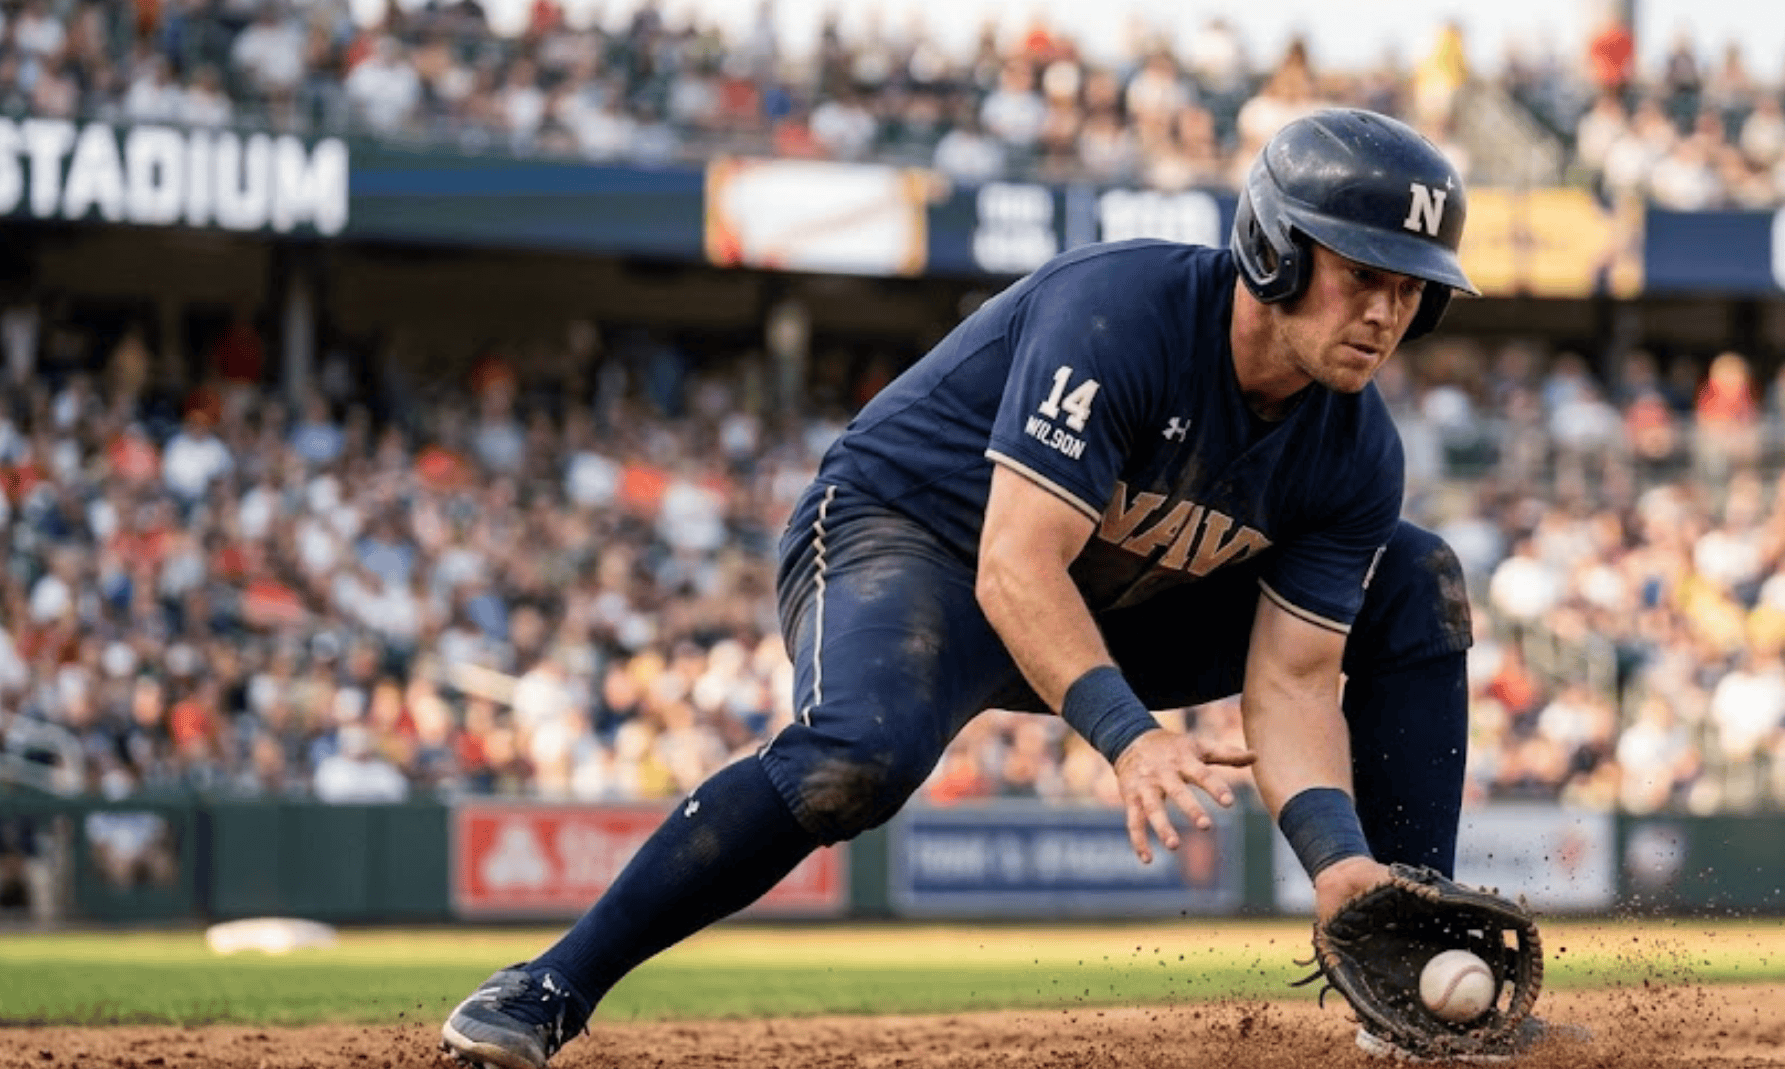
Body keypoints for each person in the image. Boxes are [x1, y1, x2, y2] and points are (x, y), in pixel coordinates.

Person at [443, 108, 1486, 1068]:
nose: (1388, 314)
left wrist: (1336, 862)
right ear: (1275, 251)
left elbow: (1295, 683)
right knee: (857, 757)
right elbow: (1015, 563)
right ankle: (549, 985)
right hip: (915, 542)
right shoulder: (1122, 314)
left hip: (1122, 595)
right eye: (1366, 277)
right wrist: (1131, 737)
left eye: (1412, 292)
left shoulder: (1356, 451)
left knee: (1416, 577)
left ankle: (1403, 962)